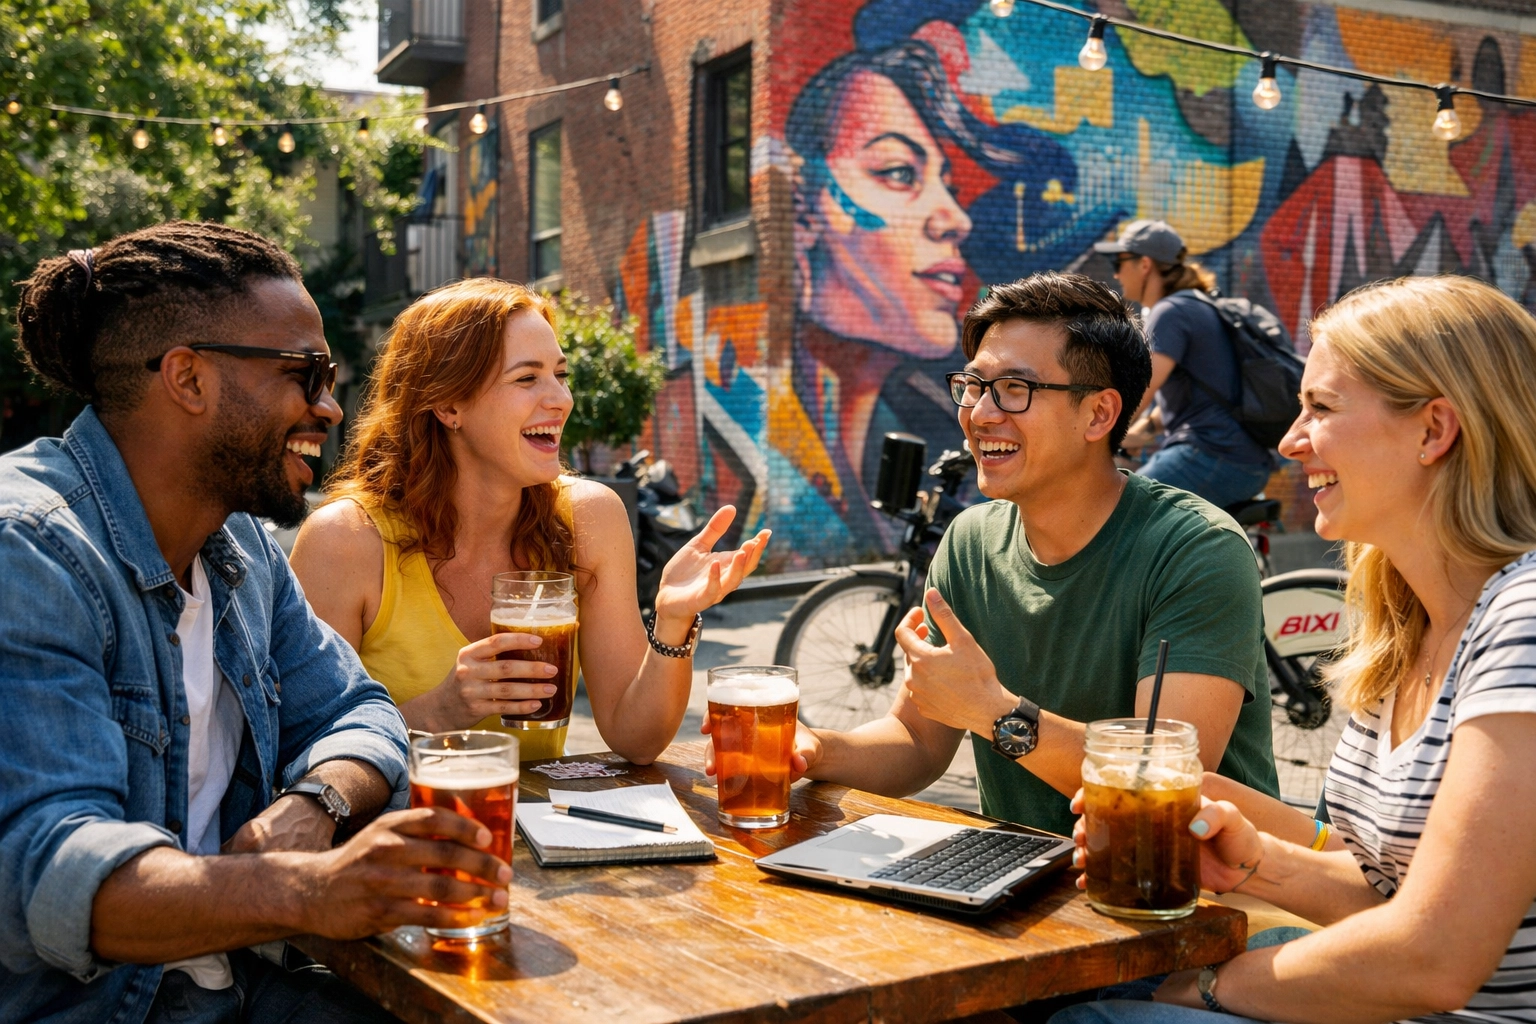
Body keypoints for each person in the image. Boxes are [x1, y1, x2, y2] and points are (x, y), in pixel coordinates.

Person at [0, 223, 511, 1024]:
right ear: (189, 378)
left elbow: (360, 710)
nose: (331, 405)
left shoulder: (239, 546)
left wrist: (313, 808)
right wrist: (305, 890)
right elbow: (56, 873)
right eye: (304, 373)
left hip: (235, 985)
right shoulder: (28, 549)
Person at [1055, 275, 1536, 1024]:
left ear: (1434, 430)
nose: (1289, 439)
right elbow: (1383, 892)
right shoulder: (1408, 619)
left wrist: (1215, 988)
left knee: (1096, 1015)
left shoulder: (1524, 615)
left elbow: (1435, 960)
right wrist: (1254, 862)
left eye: (1321, 407)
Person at [712, 272, 1279, 837]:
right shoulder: (970, 542)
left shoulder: (1196, 550)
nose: (980, 415)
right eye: (975, 386)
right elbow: (917, 743)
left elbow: (1165, 784)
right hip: (1020, 888)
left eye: (1015, 389)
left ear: (1099, 414)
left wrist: (992, 710)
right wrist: (814, 748)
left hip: (1197, 903)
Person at [290, 278, 769, 764]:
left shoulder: (589, 517)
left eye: (560, 375)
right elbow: (306, 747)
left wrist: (672, 620)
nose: (561, 400)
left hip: (542, 832)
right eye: (527, 378)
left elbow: (636, 737)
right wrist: (443, 709)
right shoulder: (345, 541)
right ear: (450, 405)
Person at [1100, 220, 1274, 508]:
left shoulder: (1170, 312)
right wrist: (1144, 431)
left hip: (1212, 455)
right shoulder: (1197, 304)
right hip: (1244, 460)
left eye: (1119, 262)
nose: (1116, 273)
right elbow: (1199, 393)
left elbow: (1141, 389)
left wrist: (1097, 432)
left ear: (1145, 264)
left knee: (1123, 511)